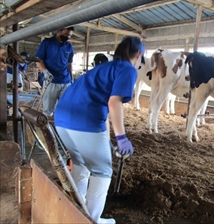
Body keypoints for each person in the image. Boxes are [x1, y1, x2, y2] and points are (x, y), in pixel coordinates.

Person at [54, 36, 145, 224]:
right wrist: (121, 137)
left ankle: (75, 213)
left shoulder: (102, 68)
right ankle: (92, 220)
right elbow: (114, 103)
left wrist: (107, 140)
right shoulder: (127, 69)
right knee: (102, 171)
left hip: (61, 118)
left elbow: (101, 107)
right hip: (84, 120)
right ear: (139, 56)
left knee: (80, 165)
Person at [35, 26, 75, 116]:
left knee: (65, 108)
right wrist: (45, 72)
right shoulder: (47, 43)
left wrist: (71, 78)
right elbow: (38, 59)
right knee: (48, 110)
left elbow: (69, 63)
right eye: (65, 34)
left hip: (66, 81)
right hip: (51, 80)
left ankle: (60, 128)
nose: (67, 37)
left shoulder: (69, 46)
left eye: (69, 36)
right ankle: (48, 128)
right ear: (58, 31)